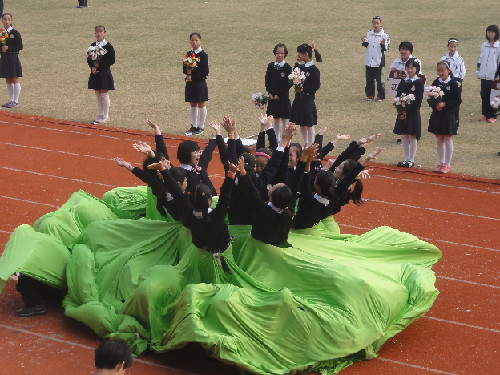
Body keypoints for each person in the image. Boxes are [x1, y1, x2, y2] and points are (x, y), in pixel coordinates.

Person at [293, 136, 382, 230]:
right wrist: (365, 158)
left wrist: (306, 160)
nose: (335, 167)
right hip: (313, 222)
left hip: (297, 225)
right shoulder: (332, 197)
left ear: (316, 185)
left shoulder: (308, 199)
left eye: (339, 167)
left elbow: (304, 177)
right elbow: (347, 178)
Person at [428, 61, 462, 173]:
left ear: (449, 71)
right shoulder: (435, 82)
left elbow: (457, 100)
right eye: (439, 70)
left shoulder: (453, 83)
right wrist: (435, 105)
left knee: (447, 138)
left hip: (448, 115)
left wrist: (445, 104)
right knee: (438, 138)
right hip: (437, 114)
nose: (441, 72)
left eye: (443, 70)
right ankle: (441, 162)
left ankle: (447, 164)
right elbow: (430, 97)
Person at [393, 58, 424, 167]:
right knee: (405, 135)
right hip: (403, 112)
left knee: (412, 136)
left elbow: (419, 100)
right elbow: (398, 96)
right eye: (408, 68)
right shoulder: (403, 81)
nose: (409, 70)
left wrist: (408, 110)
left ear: (416, 69)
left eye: (412, 68)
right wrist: (401, 110)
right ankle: (406, 158)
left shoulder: (419, 82)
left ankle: (411, 159)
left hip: (413, 113)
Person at [290, 43, 322, 147]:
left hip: (308, 99)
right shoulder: (301, 66)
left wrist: (305, 89)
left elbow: (316, 85)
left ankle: (310, 144)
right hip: (299, 98)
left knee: (309, 123)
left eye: (300, 54)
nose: (298, 55)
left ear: (306, 54)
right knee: (302, 124)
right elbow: (294, 74)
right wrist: (297, 64)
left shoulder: (314, 70)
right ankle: (306, 143)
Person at [87, 25, 115, 124]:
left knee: (103, 93)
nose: (99, 33)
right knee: (98, 94)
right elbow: (89, 58)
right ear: (94, 33)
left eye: (101, 31)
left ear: (104, 33)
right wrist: (93, 67)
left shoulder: (108, 46)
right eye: (97, 32)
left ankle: (106, 116)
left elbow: (112, 60)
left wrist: (100, 64)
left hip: (104, 72)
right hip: (95, 73)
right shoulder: (93, 45)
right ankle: (100, 114)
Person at [265, 43, 293, 141]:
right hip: (272, 98)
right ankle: (276, 140)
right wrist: (270, 93)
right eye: (277, 53)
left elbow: (288, 84)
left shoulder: (288, 68)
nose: (279, 55)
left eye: (282, 53)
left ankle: (285, 140)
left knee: (285, 120)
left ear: (285, 54)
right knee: (275, 119)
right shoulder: (271, 66)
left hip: (283, 98)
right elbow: (267, 80)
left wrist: (279, 94)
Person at [184, 33, 209, 135]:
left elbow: (205, 71)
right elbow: (184, 68)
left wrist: (192, 77)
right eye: (192, 40)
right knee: (192, 103)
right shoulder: (188, 54)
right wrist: (187, 74)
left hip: (199, 83)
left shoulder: (203, 55)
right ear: (189, 41)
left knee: (201, 104)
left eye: (196, 40)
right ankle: (194, 126)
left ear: (200, 41)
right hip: (190, 84)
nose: (194, 42)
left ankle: (201, 127)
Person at [361, 16, 390, 101]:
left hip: (379, 62)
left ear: (381, 24)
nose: (376, 25)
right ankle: (370, 95)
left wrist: (383, 44)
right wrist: (364, 42)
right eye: (374, 23)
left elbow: (387, 48)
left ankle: (380, 96)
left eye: (377, 23)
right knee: (369, 80)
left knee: (380, 81)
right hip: (369, 61)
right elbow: (367, 45)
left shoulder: (385, 35)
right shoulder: (369, 33)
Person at [441, 38, 466, 130]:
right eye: (451, 46)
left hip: (455, 82)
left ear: (457, 47)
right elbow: (440, 70)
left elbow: (463, 72)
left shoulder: (459, 59)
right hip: (445, 81)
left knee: (455, 103)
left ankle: (455, 125)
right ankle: (445, 124)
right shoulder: (444, 58)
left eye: (454, 46)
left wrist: (458, 82)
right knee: (445, 101)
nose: (452, 48)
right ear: (448, 46)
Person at [477, 24, 500, 123]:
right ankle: (485, 114)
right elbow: (480, 59)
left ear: (496, 34)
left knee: (493, 96)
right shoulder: (484, 45)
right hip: (484, 75)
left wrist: (497, 75)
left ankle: (493, 115)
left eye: (492, 32)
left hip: (493, 76)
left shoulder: (498, 46)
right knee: (484, 95)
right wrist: (478, 71)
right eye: (489, 32)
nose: (490, 34)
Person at [0, 13, 23, 108]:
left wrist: (8, 47)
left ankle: (15, 100)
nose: (7, 21)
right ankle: (10, 100)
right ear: (2, 20)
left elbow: (20, 46)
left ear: (11, 21)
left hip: (13, 57)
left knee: (14, 79)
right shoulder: (1, 33)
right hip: (4, 58)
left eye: (9, 19)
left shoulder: (15, 33)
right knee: (8, 80)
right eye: (5, 19)